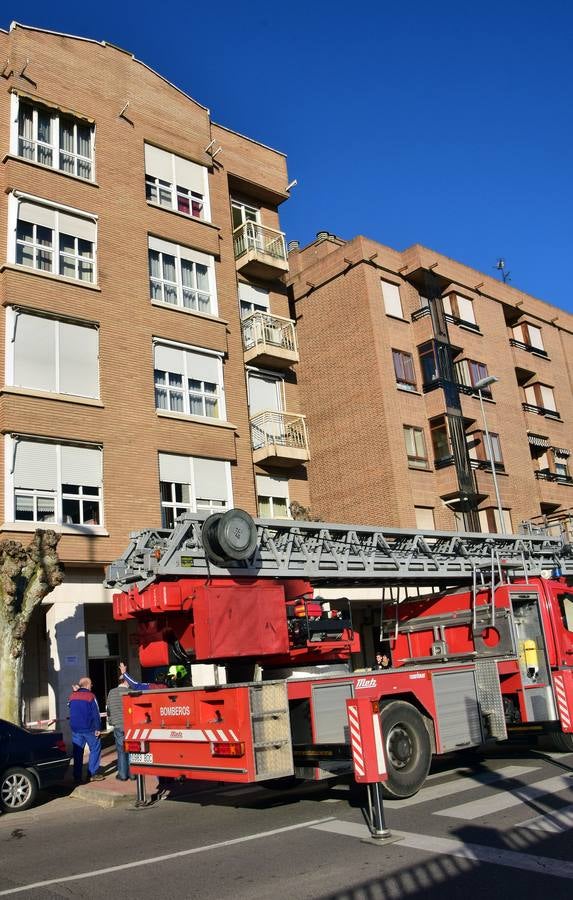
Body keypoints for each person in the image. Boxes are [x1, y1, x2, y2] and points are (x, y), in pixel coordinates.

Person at [68, 676, 104, 783]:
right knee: (95, 749)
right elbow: (96, 713)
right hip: (89, 729)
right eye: (91, 684)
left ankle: (77, 777)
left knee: (78, 752)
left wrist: (75, 692)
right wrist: (98, 728)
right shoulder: (90, 696)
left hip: (76, 729)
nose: (92, 686)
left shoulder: (72, 696)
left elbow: (69, 706)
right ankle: (92, 773)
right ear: (87, 685)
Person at [106, 675, 135, 782]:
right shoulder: (131, 692)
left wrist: (111, 722)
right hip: (130, 726)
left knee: (121, 750)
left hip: (118, 725)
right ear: (126, 682)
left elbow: (108, 709)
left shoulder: (111, 692)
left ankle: (122, 775)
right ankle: (133, 774)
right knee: (132, 749)